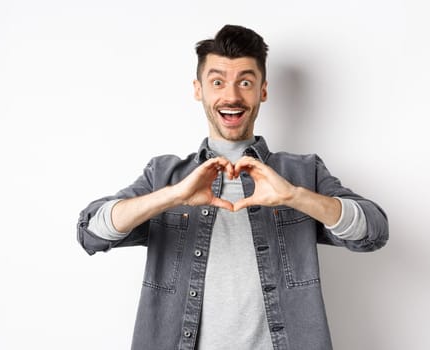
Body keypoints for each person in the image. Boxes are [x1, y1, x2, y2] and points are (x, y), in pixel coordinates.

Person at [76, 24, 389, 350]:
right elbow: (92, 232)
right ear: (198, 89)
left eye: (245, 82)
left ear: (262, 91)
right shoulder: (165, 175)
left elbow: (373, 231)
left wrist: (294, 196)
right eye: (217, 82)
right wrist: (174, 195)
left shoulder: (301, 172)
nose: (232, 96)